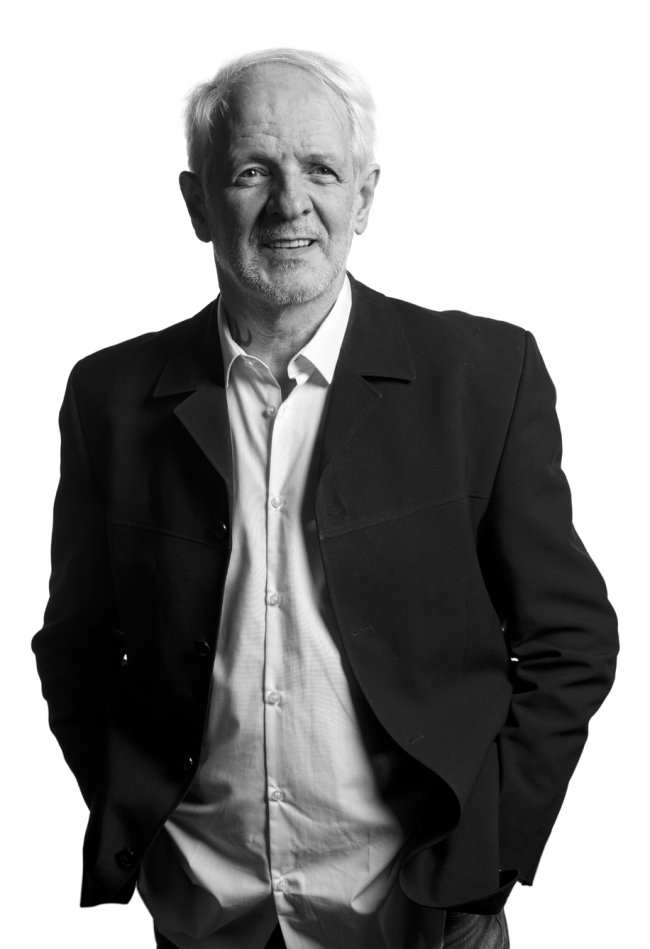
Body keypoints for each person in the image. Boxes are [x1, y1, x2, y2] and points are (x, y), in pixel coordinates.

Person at [32, 48, 618, 949]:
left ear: (366, 197)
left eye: (322, 170)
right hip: (207, 916)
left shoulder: (483, 378)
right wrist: (143, 829)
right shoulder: (108, 398)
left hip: (421, 920)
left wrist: (483, 858)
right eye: (252, 171)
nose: (290, 203)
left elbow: (570, 640)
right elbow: (76, 649)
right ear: (197, 203)